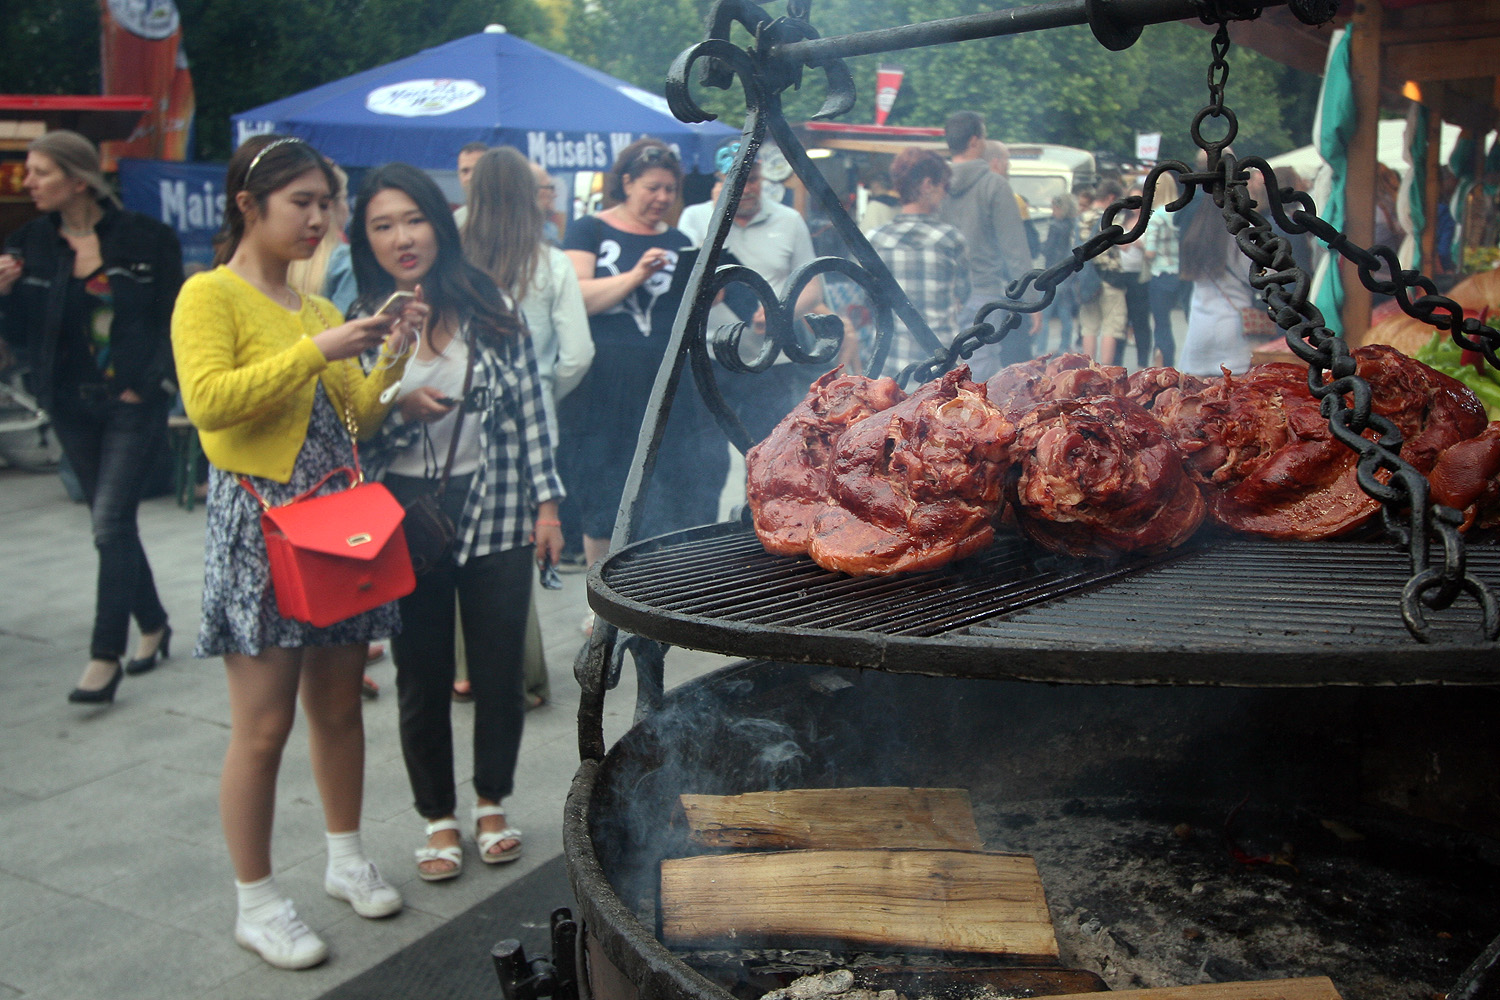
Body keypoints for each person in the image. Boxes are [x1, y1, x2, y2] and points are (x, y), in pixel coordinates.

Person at [171, 135, 419, 970]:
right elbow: (209, 404)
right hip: (259, 530)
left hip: (334, 530)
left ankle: (347, 857)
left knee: (340, 708)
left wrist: (392, 352)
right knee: (264, 726)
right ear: (250, 203)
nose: (319, 220)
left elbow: (363, 417)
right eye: (301, 203)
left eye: (326, 204)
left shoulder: (315, 307)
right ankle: (257, 900)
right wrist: (317, 351)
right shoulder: (209, 295)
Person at [348, 161, 564, 883]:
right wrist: (394, 389)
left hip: (497, 502)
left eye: (413, 220)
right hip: (405, 512)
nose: (402, 238)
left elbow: (533, 403)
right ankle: (437, 815)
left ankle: (491, 801)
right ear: (365, 236)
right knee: (422, 673)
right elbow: (346, 429)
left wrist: (547, 503)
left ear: (439, 223)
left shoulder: (485, 298)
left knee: (500, 673)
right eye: (383, 225)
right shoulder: (359, 313)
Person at [0, 129, 182, 704]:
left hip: (132, 402)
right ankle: (153, 624)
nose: (28, 182)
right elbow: (20, 339)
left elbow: (172, 316)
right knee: (115, 526)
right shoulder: (27, 243)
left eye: (40, 172)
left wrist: (148, 382)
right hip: (68, 403)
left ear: (78, 179)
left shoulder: (147, 238)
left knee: (108, 522)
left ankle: (105, 655)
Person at [463, 146, 593, 708]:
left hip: (458, 415)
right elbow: (578, 354)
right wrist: (544, 390)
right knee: (515, 544)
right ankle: (523, 676)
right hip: (533, 418)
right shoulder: (550, 263)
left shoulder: (454, 261)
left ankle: (468, 670)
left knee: (463, 538)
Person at [562, 139, 707, 572]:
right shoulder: (589, 229)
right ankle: (598, 601)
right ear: (626, 183)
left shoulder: (680, 240)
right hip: (605, 381)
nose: (662, 198)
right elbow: (578, 297)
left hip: (664, 381)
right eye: (652, 188)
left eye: (669, 190)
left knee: (667, 480)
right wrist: (636, 275)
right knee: (603, 482)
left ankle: (653, 591)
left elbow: (689, 310)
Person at [675, 143, 851, 445]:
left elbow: (812, 286)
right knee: (706, 451)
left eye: (752, 179)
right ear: (718, 180)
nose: (745, 188)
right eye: (734, 180)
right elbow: (689, 284)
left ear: (762, 178)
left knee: (769, 448)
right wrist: (720, 218)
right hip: (710, 355)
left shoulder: (788, 220)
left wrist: (780, 312)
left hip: (772, 357)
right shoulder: (694, 217)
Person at [937, 111, 1037, 376]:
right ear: (974, 141)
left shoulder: (935, 184)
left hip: (941, 293)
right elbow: (1014, 249)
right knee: (980, 370)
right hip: (983, 293)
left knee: (941, 368)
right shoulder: (995, 185)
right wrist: (1031, 300)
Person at [867, 147, 971, 377]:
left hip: (891, 369)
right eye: (944, 186)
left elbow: (867, 299)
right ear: (927, 185)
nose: (945, 194)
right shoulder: (950, 240)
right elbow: (964, 294)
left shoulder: (875, 240)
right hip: (941, 367)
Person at [1177, 187, 1253, 376]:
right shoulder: (1241, 238)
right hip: (1235, 328)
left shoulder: (1195, 236)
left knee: (1201, 399)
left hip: (1199, 328)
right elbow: (1257, 276)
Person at [1143, 174, 1182, 367]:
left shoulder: (1156, 216)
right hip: (1180, 274)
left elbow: (1150, 252)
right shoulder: (1181, 213)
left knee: (1162, 324)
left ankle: (1165, 364)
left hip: (1160, 274)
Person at [450, 141, 489, 229]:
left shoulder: (510, 216)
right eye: (465, 171)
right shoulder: (456, 220)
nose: (470, 177)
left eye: (477, 169)